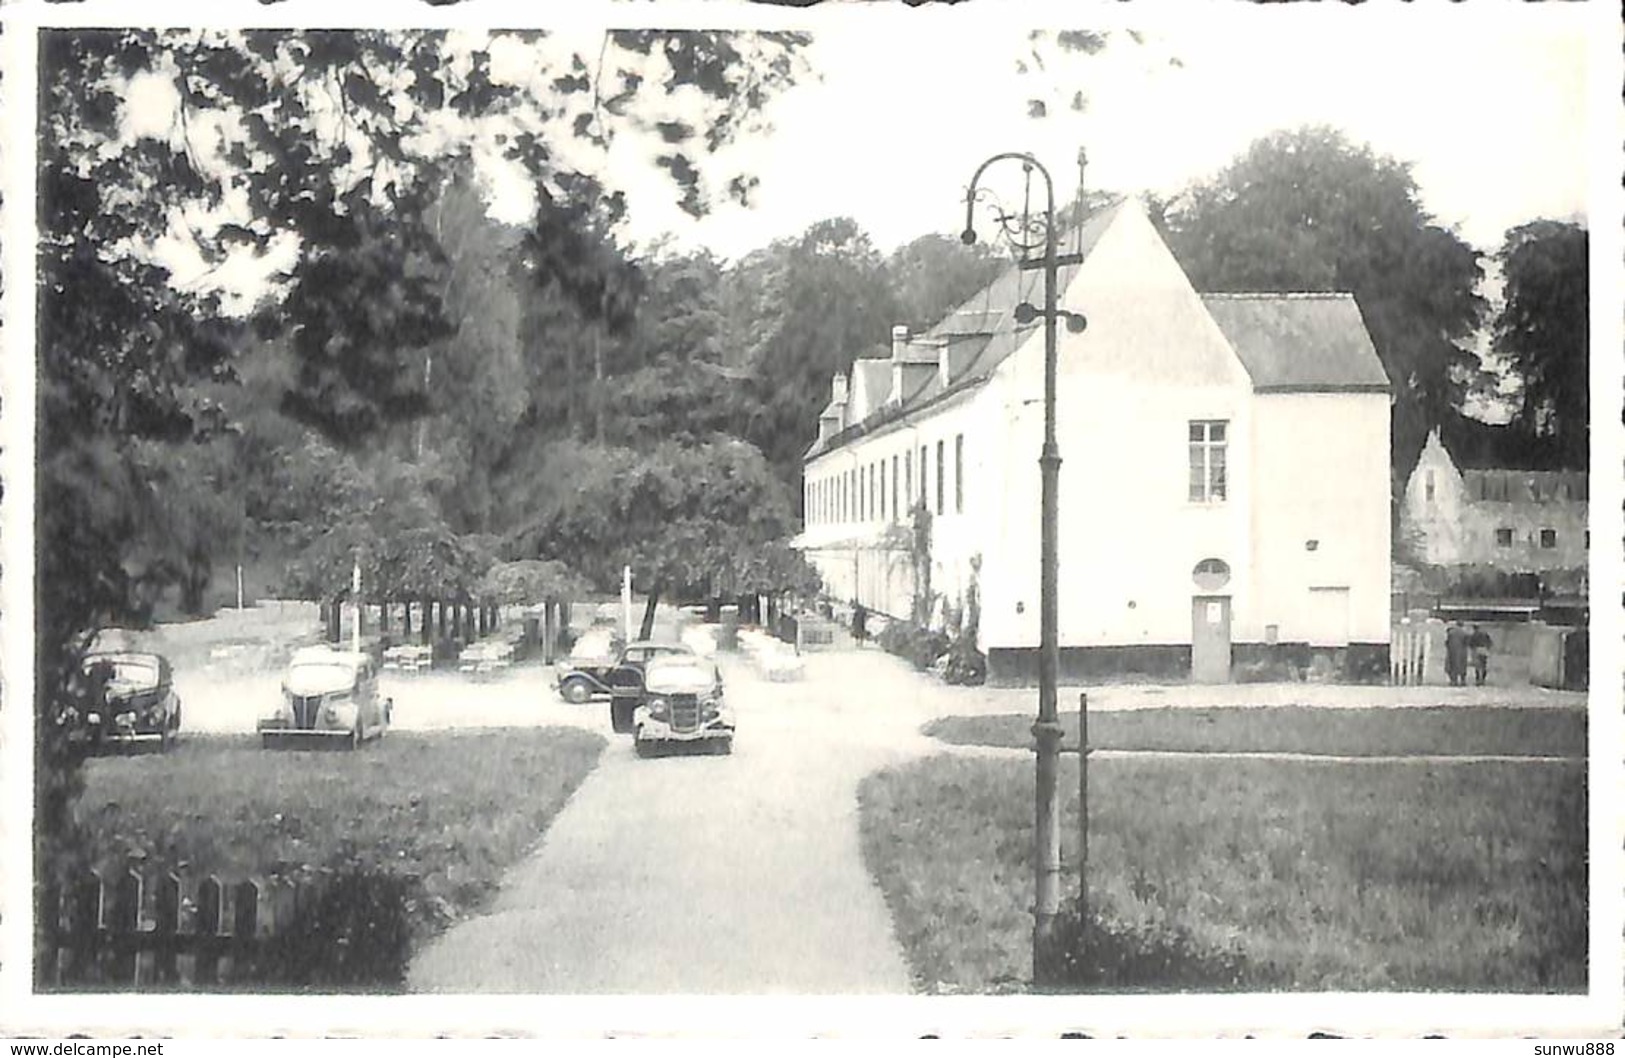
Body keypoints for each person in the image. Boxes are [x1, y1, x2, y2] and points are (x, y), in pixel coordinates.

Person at [1443, 620, 1467, 687]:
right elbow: (1466, 642)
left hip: (1452, 651)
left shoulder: (1451, 632)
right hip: (1462, 651)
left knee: (1452, 666)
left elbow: (1447, 642)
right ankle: (1463, 680)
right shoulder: (1464, 632)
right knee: (1462, 665)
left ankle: (1453, 680)